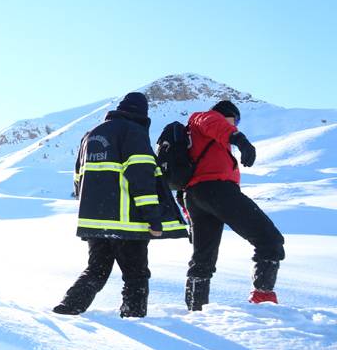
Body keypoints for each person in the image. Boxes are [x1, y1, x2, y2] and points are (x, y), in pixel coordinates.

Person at [54, 92, 188, 318]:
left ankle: (68, 309)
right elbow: (142, 179)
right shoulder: (133, 133)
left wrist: (93, 216)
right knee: (136, 274)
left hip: (95, 222)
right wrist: (154, 219)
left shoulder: (90, 136)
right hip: (128, 223)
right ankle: (133, 317)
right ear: (142, 114)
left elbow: (78, 181)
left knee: (96, 270)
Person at [183, 100, 284, 310]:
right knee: (270, 240)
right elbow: (213, 123)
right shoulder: (207, 118)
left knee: (203, 257)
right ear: (226, 115)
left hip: (196, 196)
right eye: (236, 120)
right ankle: (262, 298)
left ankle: (196, 309)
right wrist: (240, 139)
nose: (236, 125)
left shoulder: (201, 137)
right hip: (217, 191)